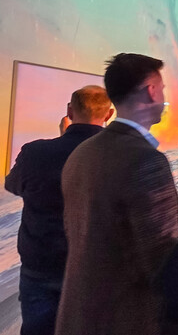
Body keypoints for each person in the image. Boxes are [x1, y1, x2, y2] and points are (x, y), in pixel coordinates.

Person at [56, 53, 178, 335]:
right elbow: (163, 259)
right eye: (162, 88)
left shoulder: (82, 152)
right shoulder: (146, 160)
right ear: (151, 91)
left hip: (78, 316)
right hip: (125, 318)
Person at [5, 86, 113, 335]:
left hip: (40, 266)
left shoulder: (35, 152)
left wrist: (63, 138)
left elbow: (13, 185)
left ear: (69, 111)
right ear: (108, 115)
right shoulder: (118, 156)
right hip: (92, 270)